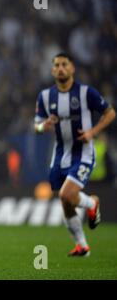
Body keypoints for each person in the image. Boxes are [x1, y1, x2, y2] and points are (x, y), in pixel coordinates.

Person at [34, 53, 115, 256]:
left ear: (72, 68)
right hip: (60, 154)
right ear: (52, 71)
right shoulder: (45, 96)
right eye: (57, 65)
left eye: (64, 64)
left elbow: (110, 113)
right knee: (65, 200)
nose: (60, 68)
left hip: (83, 153)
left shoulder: (86, 93)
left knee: (66, 194)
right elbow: (36, 127)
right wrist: (45, 125)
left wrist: (92, 133)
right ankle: (83, 246)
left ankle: (91, 203)